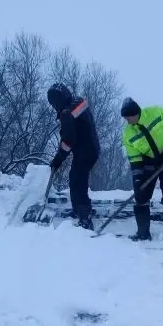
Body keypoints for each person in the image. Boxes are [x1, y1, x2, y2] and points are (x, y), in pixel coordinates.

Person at [120, 97, 163, 242]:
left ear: (135, 113)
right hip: (148, 161)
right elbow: (135, 159)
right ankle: (143, 233)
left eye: (129, 117)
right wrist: (138, 179)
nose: (127, 121)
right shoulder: (128, 134)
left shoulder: (157, 112)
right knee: (141, 195)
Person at [47, 83, 101, 230]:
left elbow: (68, 142)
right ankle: (79, 210)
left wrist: (58, 160)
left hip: (84, 151)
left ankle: (85, 218)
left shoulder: (66, 113)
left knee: (77, 182)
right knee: (76, 178)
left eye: (53, 104)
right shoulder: (78, 103)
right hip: (92, 148)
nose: (53, 107)